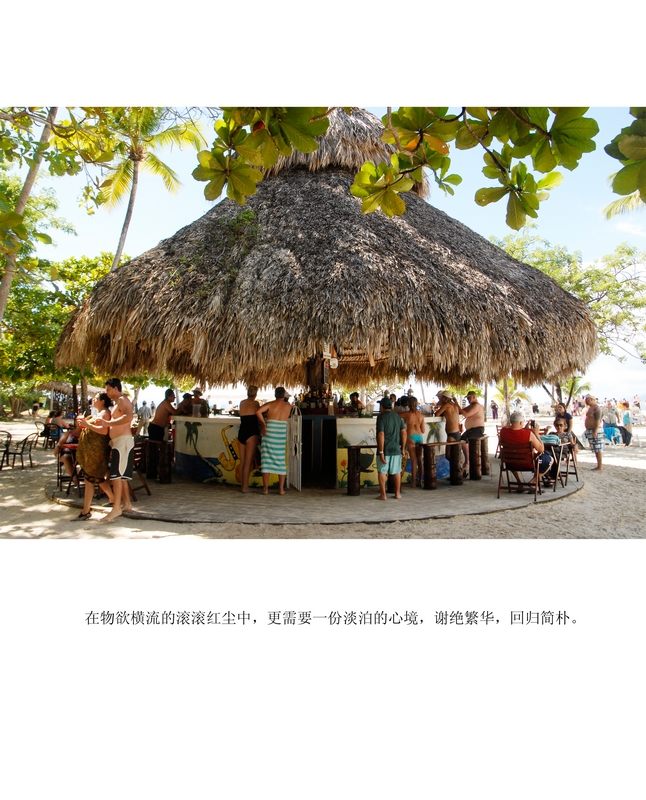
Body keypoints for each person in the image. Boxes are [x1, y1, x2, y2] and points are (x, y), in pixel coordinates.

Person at [93, 378, 135, 522]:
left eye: (108, 389)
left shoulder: (122, 400)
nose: (106, 392)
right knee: (121, 476)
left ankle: (116, 508)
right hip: (118, 442)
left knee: (116, 475)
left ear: (115, 388)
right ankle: (126, 503)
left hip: (123, 441)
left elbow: (129, 417)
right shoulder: (118, 402)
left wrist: (108, 423)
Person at [75, 393, 115, 520]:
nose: (93, 400)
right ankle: (112, 499)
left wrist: (87, 425)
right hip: (92, 452)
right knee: (95, 478)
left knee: (91, 479)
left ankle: (86, 510)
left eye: (96, 398)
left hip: (96, 452)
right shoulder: (99, 413)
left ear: (102, 401)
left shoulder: (105, 413)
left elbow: (103, 431)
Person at [499, 411, 553, 489]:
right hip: (529, 464)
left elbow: (515, 433)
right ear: (521, 422)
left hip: (510, 463)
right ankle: (533, 482)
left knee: (512, 456)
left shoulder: (503, 431)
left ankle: (519, 483)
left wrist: (525, 429)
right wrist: (536, 433)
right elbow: (541, 449)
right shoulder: (529, 434)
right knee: (549, 459)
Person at [256, 387, 292, 495]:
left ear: (275, 395)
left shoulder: (270, 404)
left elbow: (258, 412)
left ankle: (265, 489)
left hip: (269, 431)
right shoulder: (289, 406)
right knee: (280, 460)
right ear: (284, 396)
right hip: (280, 433)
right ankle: (281, 489)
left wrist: (264, 424)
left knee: (266, 459)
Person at [376, 396, 407, 500]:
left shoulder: (381, 417)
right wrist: (403, 448)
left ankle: (383, 495)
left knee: (382, 471)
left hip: (385, 449)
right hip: (396, 449)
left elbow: (381, 434)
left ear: (382, 406)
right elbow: (404, 433)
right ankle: (397, 494)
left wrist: (381, 452)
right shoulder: (397, 417)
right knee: (397, 471)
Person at [238, 385, 261, 492]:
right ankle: (245, 487)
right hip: (252, 433)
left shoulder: (242, 402)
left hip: (242, 432)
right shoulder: (256, 403)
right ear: (255, 394)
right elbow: (259, 415)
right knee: (248, 462)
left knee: (242, 462)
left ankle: (242, 485)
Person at [400, 395, 425, 487]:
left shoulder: (407, 414)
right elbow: (423, 430)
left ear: (408, 404)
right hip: (419, 437)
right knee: (420, 460)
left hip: (411, 436)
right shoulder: (421, 416)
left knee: (413, 460)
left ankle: (413, 482)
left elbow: (395, 415)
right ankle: (420, 481)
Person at [459, 390, 486, 473]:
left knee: (463, 441)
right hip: (472, 429)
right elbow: (461, 411)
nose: (468, 399)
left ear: (474, 397)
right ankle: (467, 461)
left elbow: (466, 414)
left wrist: (456, 404)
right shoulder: (471, 406)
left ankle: (468, 462)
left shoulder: (477, 405)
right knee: (462, 440)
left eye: (469, 398)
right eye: (467, 398)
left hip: (477, 428)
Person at [53, 420, 84, 491]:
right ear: (76, 423)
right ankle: (75, 478)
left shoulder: (87, 434)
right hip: (68, 454)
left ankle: (79, 477)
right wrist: (57, 447)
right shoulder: (68, 433)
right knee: (66, 457)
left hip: (82, 455)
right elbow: (59, 443)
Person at [583, 394, 604, 471]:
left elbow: (598, 420)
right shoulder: (590, 408)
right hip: (590, 430)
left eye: (587, 399)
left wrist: (595, 431)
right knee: (595, 448)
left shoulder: (596, 408)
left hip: (595, 430)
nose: (586, 401)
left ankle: (600, 466)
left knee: (598, 448)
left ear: (592, 399)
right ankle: (598, 465)